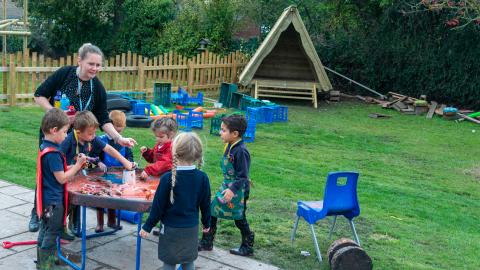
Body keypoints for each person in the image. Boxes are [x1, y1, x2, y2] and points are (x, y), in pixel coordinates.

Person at [30, 43, 136, 232]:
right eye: (91, 64)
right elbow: (39, 95)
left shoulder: (98, 88)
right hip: (55, 134)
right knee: (50, 175)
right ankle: (38, 214)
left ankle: (72, 219)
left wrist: (119, 138)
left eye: (98, 65)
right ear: (79, 60)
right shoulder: (64, 74)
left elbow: (104, 119)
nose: (95, 69)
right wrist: (57, 114)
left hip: (79, 138)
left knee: (77, 174)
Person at [139, 132, 211, 270]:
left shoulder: (166, 178)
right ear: (198, 154)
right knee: (188, 261)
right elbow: (206, 205)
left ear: (174, 151)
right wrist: (206, 223)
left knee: (169, 263)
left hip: (170, 229)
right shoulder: (203, 178)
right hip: (191, 228)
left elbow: (158, 207)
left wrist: (147, 226)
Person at [61, 111, 135, 233]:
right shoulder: (68, 141)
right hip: (65, 176)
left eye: (95, 132)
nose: (94, 136)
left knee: (77, 200)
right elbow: (58, 162)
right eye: (91, 133)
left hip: (78, 174)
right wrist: (73, 168)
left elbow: (109, 148)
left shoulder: (91, 137)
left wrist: (125, 161)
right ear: (78, 132)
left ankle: (70, 226)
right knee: (65, 205)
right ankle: (57, 229)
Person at [36, 108, 87, 269]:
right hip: (54, 202)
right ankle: (47, 265)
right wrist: (78, 166)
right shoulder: (53, 154)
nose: (66, 136)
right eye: (65, 132)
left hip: (45, 201)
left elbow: (55, 171)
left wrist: (70, 166)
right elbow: (62, 178)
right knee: (52, 232)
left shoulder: (44, 147)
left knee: (45, 229)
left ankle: (42, 261)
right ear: (54, 130)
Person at [198, 114, 255, 256]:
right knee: (212, 210)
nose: (220, 132)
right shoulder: (230, 145)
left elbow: (243, 176)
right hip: (227, 186)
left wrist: (232, 190)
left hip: (238, 190)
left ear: (235, 134)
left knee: (239, 217)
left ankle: (247, 245)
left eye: (223, 130)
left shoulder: (241, 151)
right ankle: (207, 242)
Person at [95, 110, 133, 232]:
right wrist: (98, 162)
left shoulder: (124, 142)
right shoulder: (101, 140)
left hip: (118, 176)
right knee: (100, 200)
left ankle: (112, 221)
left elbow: (129, 156)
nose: (117, 133)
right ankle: (100, 224)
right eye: (116, 129)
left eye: (120, 131)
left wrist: (131, 163)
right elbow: (94, 155)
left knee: (114, 199)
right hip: (103, 175)